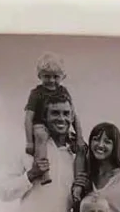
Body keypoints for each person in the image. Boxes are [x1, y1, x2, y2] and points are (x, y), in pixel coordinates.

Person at [21, 53, 86, 192]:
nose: (51, 80)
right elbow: (28, 118)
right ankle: (44, 173)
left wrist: (80, 137)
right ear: (39, 76)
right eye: (47, 76)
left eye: (55, 77)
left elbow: (73, 115)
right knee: (40, 135)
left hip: (59, 128)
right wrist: (29, 142)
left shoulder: (63, 91)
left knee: (81, 148)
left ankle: (78, 183)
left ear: (63, 77)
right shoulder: (36, 93)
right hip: (40, 124)